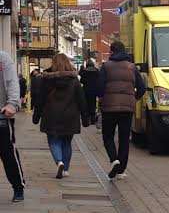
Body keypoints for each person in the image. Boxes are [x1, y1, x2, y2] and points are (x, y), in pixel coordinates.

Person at [97, 41, 146, 180]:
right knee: (124, 139)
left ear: (112, 52)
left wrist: (102, 98)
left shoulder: (106, 66)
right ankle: (121, 170)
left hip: (109, 108)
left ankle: (114, 160)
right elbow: (141, 88)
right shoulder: (132, 67)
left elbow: (100, 88)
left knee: (108, 136)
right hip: (127, 108)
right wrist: (133, 99)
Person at [37, 54, 88, 179]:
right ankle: (65, 169)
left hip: (51, 115)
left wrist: (36, 116)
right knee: (67, 142)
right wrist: (85, 118)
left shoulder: (47, 79)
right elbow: (81, 99)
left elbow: (40, 99)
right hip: (70, 116)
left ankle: (59, 161)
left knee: (54, 140)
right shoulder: (74, 80)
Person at [0, 51, 25, 202]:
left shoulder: (3, 59)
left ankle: (18, 187)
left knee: (7, 154)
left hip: (2, 115)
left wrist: (12, 104)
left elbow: (12, 83)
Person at [80, 60, 100, 124]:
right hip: (94, 90)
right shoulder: (97, 71)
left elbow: (82, 81)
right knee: (93, 103)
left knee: (86, 104)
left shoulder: (85, 71)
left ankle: (87, 119)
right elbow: (99, 80)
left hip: (86, 90)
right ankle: (93, 119)